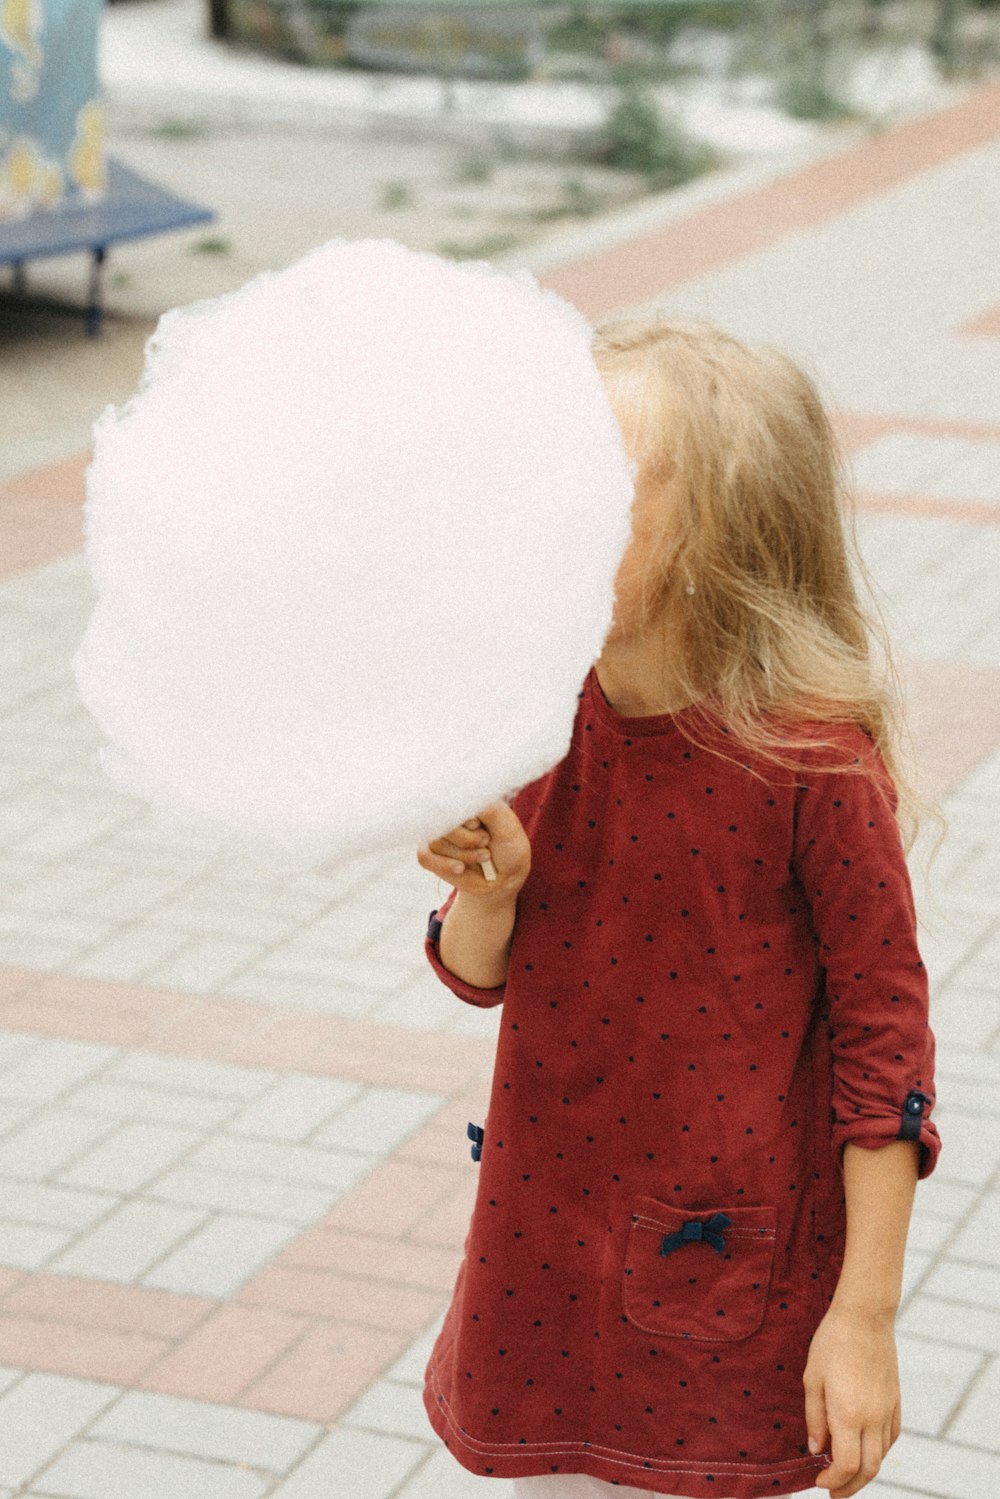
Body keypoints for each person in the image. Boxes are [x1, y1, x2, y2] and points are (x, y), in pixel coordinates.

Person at [415, 318, 942, 1499]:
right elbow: (472, 965)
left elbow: (884, 1050)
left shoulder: (810, 763)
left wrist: (863, 1317)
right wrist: (489, 889)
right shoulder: (542, 714)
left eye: (596, 490)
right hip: (541, 1250)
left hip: (718, 1275)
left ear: (718, 533)